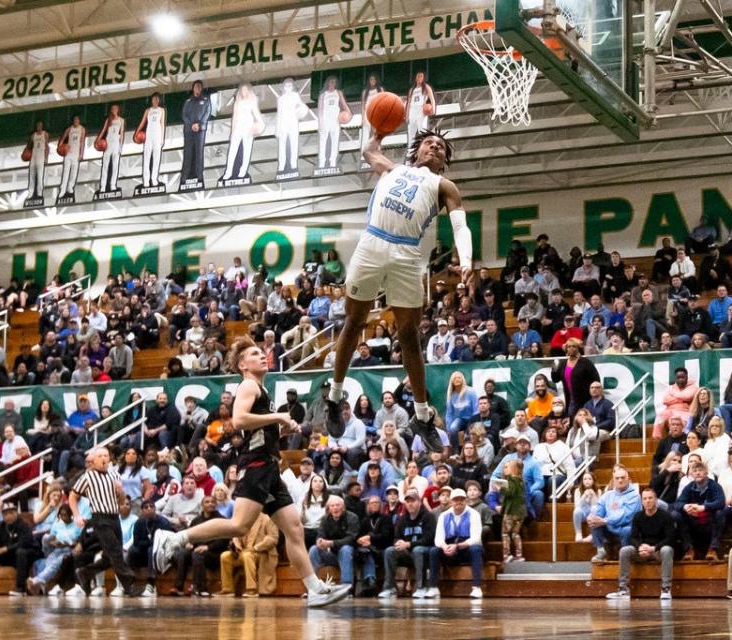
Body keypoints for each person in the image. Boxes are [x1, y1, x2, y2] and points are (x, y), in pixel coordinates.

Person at [152, 337, 352, 607]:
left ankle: (314, 588)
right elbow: (239, 420)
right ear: (243, 364)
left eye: (262, 353)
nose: (262, 356)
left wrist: (282, 429)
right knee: (239, 525)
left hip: (269, 465)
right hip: (256, 464)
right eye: (255, 354)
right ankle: (174, 539)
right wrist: (278, 417)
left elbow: (254, 429)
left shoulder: (260, 388)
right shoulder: (247, 385)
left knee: (294, 528)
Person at [325, 127, 471, 455]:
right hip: (372, 242)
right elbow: (368, 151)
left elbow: (460, 225)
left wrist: (467, 258)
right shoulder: (392, 169)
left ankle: (421, 415)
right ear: (417, 150)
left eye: (440, 147)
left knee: (409, 335)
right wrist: (378, 130)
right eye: (429, 143)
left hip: (407, 252)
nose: (434, 148)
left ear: (444, 160)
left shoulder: (444, 186)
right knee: (355, 321)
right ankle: (334, 397)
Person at [70, 447, 139, 596]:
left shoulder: (115, 475)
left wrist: (120, 491)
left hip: (115, 517)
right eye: (100, 456)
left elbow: (121, 502)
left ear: (110, 459)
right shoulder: (88, 477)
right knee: (115, 551)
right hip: (100, 518)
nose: (103, 458)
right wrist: (76, 515)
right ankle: (129, 584)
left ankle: (84, 573)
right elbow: (73, 496)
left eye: (105, 456)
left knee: (110, 557)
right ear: (93, 461)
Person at [606, 487, 676, 601]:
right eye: (645, 499)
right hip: (642, 550)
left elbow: (670, 538)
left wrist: (654, 548)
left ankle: (666, 589)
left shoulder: (665, 516)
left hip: (658, 550)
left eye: (650, 498)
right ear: (642, 501)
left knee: (667, 550)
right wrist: (640, 547)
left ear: (656, 500)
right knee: (625, 550)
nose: (647, 501)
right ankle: (623, 589)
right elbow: (633, 537)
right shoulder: (638, 516)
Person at [379, 487, 437, 599]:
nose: (410, 504)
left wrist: (409, 544)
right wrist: (398, 542)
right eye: (408, 501)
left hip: (425, 552)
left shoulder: (428, 517)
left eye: (413, 501)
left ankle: (421, 587)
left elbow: (430, 538)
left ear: (419, 502)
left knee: (417, 550)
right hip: (407, 552)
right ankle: (389, 588)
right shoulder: (402, 519)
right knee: (389, 551)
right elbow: (396, 537)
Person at [428, 488, 483, 599]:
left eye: (462, 499)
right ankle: (433, 587)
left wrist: (457, 546)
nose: (459, 502)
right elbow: (438, 538)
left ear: (466, 500)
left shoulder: (474, 514)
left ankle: (477, 587)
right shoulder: (443, 516)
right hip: (449, 548)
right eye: (456, 499)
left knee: (476, 549)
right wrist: (444, 547)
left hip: (466, 548)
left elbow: (476, 538)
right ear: (451, 502)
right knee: (434, 551)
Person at [673, 461, 726, 561]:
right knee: (676, 515)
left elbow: (721, 502)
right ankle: (689, 549)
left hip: (710, 522)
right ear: (691, 474)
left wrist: (703, 507)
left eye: (700, 470)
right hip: (694, 522)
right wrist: (685, 506)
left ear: (706, 472)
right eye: (695, 471)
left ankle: (713, 549)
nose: (697, 473)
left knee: (720, 512)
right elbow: (677, 504)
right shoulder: (688, 487)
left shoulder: (714, 486)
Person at [588, 465, 642, 562]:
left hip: (626, 527)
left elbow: (626, 516)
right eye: (617, 478)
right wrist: (594, 517)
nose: (620, 480)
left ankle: (625, 556)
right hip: (610, 527)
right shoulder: (608, 495)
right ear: (613, 480)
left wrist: (605, 520)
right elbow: (599, 508)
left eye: (622, 478)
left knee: (627, 530)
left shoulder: (634, 495)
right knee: (594, 521)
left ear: (628, 479)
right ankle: (601, 550)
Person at [219, 512, 279, 597]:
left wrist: (256, 548)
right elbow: (236, 535)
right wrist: (237, 545)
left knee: (247, 555)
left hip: (261, 553)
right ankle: (227, 590)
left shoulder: (267, 518)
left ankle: (251, 590)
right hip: (243, 551)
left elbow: (273, 538)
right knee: (225, 556)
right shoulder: (243, 520)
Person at [221, 83, 263, 183]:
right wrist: (232, 131)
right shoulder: (237, 102)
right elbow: (234, 117)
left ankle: (243, 171)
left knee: (247, 150)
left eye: (245, 90)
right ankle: (228, 171)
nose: (244, 92)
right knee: (232, 151)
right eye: (242, 90)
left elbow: (257, 115)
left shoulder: (252, 102)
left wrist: (259, 125)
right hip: (238, 128)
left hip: (248, 127)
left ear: (248, 91)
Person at [356, 495, 393, 595]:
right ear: (368, 505)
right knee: (365, 551)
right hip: (368, 550)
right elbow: (359, 536)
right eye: (372, 503)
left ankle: (369, 582)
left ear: (380, 505)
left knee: (369, 552)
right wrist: (361, 541)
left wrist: (370, 538)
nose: (375, 504)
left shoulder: (386, 518)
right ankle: (369, 581)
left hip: (383, 548)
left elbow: (386, 536)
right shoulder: (365, 520)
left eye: (377, 502)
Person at [180, 80, 211, 185]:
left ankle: (199, 176)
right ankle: (184, 177)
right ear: (193, 88)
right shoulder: (188, 101)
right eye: (196, 87)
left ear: (201, 88)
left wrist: (199, 124)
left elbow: (207, 113)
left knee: (199, 152)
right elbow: (184, 115)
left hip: (200, 130)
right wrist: (191, 124)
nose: (197, 88)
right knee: (188, 153)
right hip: (189, 130)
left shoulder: (206, 100)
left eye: (199, 87)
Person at [136, 92, 166, 188]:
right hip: (148, 135)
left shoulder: (161, 110)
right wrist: (137, 132)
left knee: (156, 158)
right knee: (147, 158)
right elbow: (142, 122)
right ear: (151, 100)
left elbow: (162, 124)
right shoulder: (148, 110)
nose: (155, 100)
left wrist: (162, 138)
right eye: (154, 99)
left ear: (159, 100)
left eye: (157, 99)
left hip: (157, 135)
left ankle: (154, 179)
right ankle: (146, 180)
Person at [499, 459, 527, 563]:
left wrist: (500, 488)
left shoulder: (511, 480)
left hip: (511, 511)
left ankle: (506, 555)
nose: (505, 469)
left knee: (505, 533)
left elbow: (510, 492)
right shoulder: (521, 481)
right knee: (515, 533)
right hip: (520, 512)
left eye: (508, 467)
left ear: (514, 469)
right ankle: (519, 555)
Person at [96, 104, 124, 193]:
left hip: (116, 143)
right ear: (111, 110)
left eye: (116, 108)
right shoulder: (108, 120)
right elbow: (104, 130)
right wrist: (98, 140)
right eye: (113, 108)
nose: (114, 110)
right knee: (105, 165)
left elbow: (122, 133)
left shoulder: (121, 120)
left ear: (118, 109)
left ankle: (113, 185)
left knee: (115, 166)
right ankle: (103, 186)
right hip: (108, 143)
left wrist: (121, 147)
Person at [57, 115, 85, 198]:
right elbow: (62, 139)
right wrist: (59, 147)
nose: (75, 121)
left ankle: (70, 187)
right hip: (68, 153)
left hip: (76, 154)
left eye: (77, 119)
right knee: (65, 172)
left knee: (74, 172)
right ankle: (62, 189)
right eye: (74, 119)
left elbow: (82, 142)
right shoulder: (69, 129)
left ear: (79, 121)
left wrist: (81, 154)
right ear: (73, 121)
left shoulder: (82, 129)